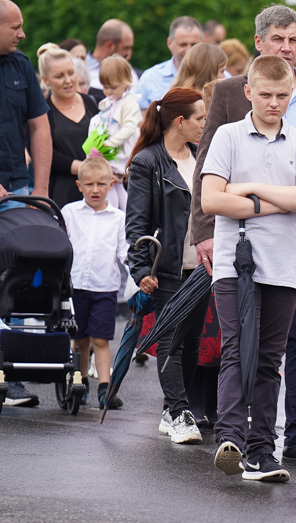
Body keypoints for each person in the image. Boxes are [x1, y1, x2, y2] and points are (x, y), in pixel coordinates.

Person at [189, 4, 296, 469]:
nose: (287, 48)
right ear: (259, 42)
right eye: (278, 40)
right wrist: (207, 229)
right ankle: (234, 437)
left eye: (293, 41)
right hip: (237, 246)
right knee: (237, 343)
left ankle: (293, 439)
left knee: (294, 344)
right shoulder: (227, 102)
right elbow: (209, 180)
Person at [202, 55, 296, 483]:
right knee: (236, 347)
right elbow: (212, 200)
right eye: (266, 95)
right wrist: (279, 202)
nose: (274, 103)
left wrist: (249, 192)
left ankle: (261, 451)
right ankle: (231, 439)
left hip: (287, 264)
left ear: (292, 94)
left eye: (282, 95)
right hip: (237, 262)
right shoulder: (227, 136)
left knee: (271, 359)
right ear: (248, 92)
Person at [126, 87, 208, 445]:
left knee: (191, 343)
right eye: (200, 118)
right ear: (180, 121)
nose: (205, 124)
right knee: (170, 342)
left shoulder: (201, 156)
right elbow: (137, 224)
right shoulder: (148, 162)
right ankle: (177, 411)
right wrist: (142, 271)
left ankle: (174, 409)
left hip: (201, 268)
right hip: (168, 269)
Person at [0, 0, 52, 408]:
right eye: (15, 27)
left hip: (19, 190)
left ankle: (11, 376)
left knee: (18, 283)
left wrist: (39, 192)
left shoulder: (20, 68)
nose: (22, 35)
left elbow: (39, 128)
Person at [61, 156, 127, 408]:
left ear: (112, 184)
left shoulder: (118, 218)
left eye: (101, 184)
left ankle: (104, 388)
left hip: (104, 288)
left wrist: (138, 274)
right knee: (79, 339)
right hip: (75, 286)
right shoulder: (70, 212)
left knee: (100, 339)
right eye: (89, 184)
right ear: (79, 186)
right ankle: (79, 380)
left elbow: (124, 252)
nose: (95, 190)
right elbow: (62, 246)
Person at [39, 43, 100, 209]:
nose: (68, 81)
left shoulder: (92, 102)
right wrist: (85, 169)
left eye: (71, 73)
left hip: (98, 192)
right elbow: (46, 153)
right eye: (59, 76)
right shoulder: (42, 112)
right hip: (63, 194)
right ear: (46, 80)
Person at [93, 54, 142, 211]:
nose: (108, 92)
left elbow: (129, 128)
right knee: (112, 202)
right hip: (111, 162)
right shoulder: (112, 101)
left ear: (126, 82)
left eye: (112, 87)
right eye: (105, 87)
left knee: (125, 206)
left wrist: (110, 143)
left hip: (122, 159)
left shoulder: (129, 103)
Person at [136, 17, 202, 110]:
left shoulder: (219, 77)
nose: (189, 50)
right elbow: (139, 118)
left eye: (194, 45)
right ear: (169, 43)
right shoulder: (150, 77)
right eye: (183, 45)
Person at [85, 19, 135, 97]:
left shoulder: (131, 71)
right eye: (126, 48)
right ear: (110, 45)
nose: (129, 53)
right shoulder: (81, 71)